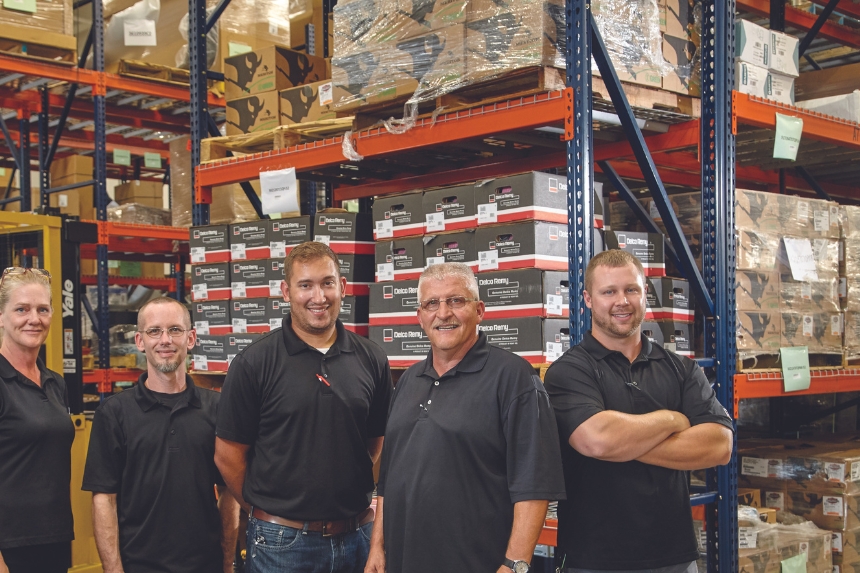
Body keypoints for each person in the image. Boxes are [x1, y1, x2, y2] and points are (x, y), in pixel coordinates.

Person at [366, 262, 566, 573]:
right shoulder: (407, 381)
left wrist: (514, 566)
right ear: (419, 317)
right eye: (432, 303)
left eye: (456, 301)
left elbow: (535, 484)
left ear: (480, 310)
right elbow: (388, 481)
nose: (443, 313)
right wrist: (377, 547)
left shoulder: (514, 378)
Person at [544, 249, 734, 573]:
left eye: (631, 289)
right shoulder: (569, 372)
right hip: (592, 559)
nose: (622, 301)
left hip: (674, 557)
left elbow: (720, 445)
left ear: (645, 293)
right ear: (588, 299)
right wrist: (673, 420)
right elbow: (599, 441)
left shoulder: (681, 369)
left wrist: (626, 443)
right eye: (609, 292)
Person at [215, 241, 393, 573]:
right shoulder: (254, 363)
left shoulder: (372, 359)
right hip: (281, 543)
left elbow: (373, 442)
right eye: (305, 285)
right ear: (286, 291)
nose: (319, 296)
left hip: (358, 537)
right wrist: (269, 511)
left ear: (342, 287)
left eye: (327, 283)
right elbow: (228, 456)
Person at [82, 296, 240, 573]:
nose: (165, 340)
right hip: (138, 566)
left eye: (175, 330)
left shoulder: (218, 409)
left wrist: (227, 562)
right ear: (140, 341)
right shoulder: (115, 413)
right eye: (154, 331)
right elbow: (104, 500)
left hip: (205, 566)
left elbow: (229, 492)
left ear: (190, 339)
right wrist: (113, 569)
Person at [0, 267, 74, 573]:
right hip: (10, 548)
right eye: (22, 309)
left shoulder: (55, 382)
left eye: (43, 309)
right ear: (1, 316)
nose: (34, 319)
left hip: (54, 540)